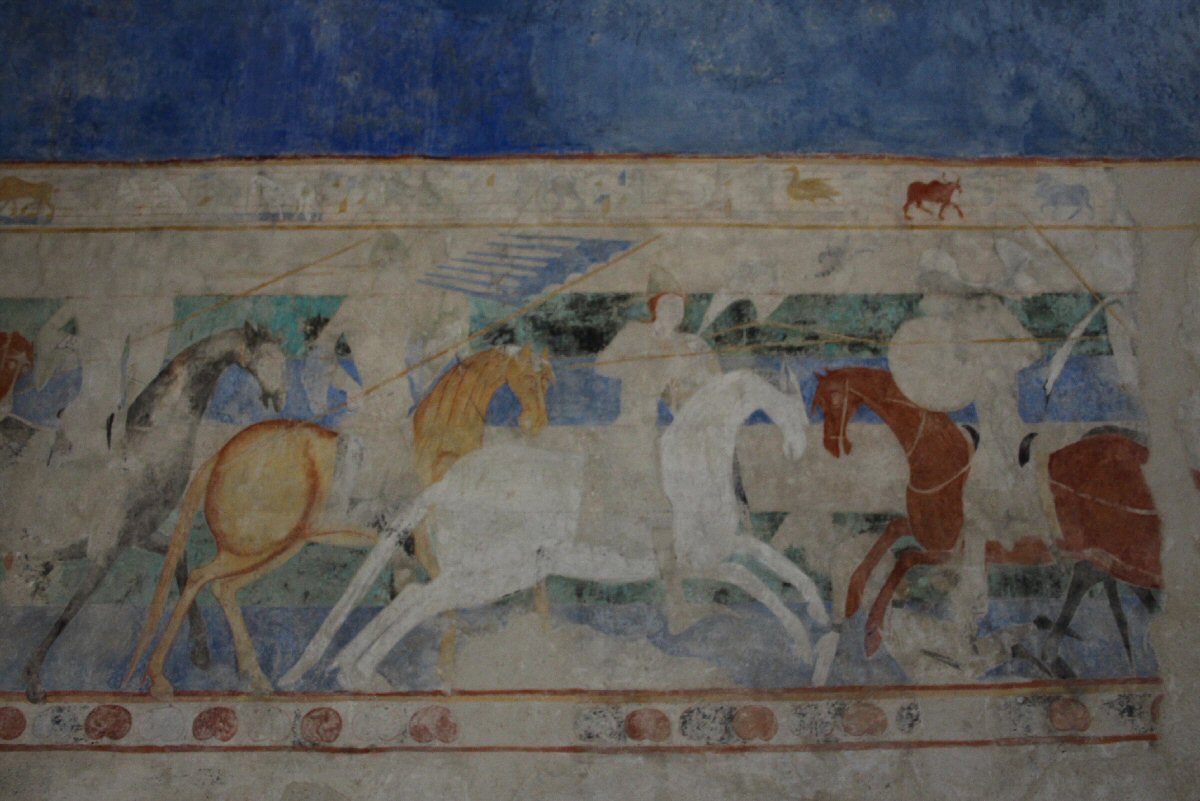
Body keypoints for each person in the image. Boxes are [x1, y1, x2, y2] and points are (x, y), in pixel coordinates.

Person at [592, 267, 720, 633]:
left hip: (670, 428)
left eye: (679, 307)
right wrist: (645, 358)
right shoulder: (635, 334)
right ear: (655, 308)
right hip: (635, 428)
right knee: (658, 505)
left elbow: (691, 389)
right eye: (668, 305)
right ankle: (674, 600)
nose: (674, 312)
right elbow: (602, 365)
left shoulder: (683, 344)